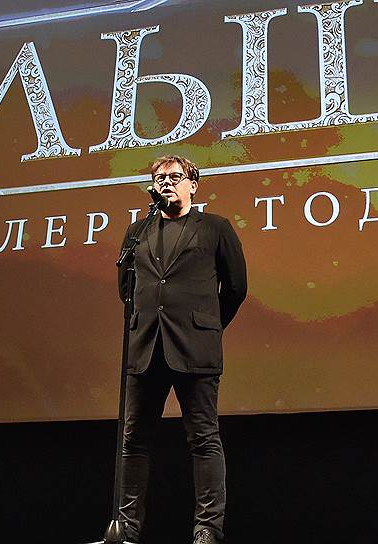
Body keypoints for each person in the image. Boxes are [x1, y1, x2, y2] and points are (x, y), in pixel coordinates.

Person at [117, 155, 247, 544]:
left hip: (195, 347)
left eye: (175, 176)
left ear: (193, 185)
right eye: (159, 178)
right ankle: (126, 528)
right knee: (134, 439)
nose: (166, 182)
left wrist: (206, 327)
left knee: (203, 438)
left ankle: (208, 528)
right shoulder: (137, 231)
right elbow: (126, 289)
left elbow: (236, 287)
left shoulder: (215, 228)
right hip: (145, 347)